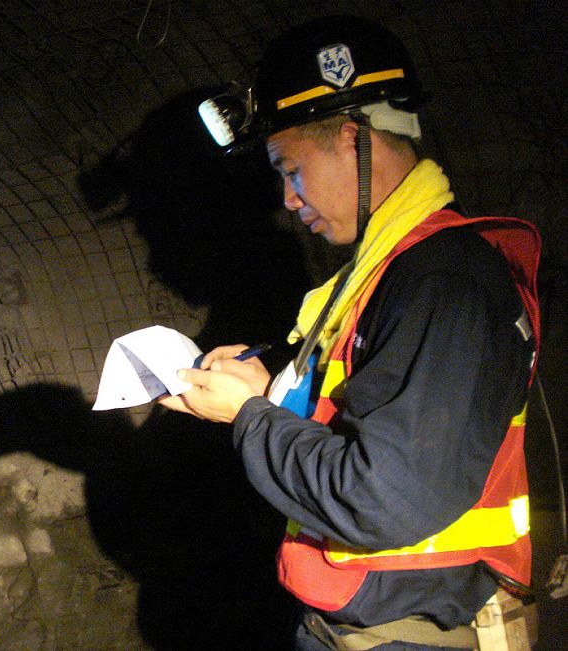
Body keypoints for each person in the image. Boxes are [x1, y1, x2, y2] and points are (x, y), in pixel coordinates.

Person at [162, 15, 541, 651]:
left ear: (349, 139)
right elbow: (355, 418)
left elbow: (381, 496)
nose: (286, 198)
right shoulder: (382, 273)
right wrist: (269, 391)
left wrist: (250, 418)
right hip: (363, 627)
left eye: (290, 168)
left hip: (412, 637)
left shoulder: (441, 281)